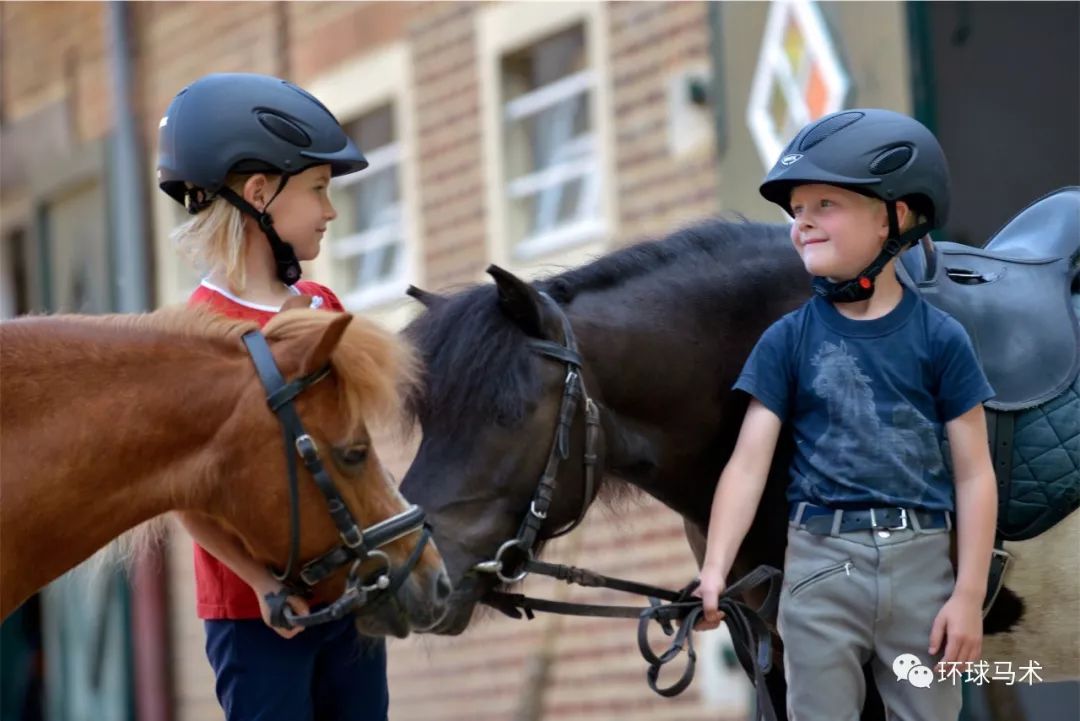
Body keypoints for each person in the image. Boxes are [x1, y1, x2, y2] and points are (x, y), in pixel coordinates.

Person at [695, 108, 997, 720]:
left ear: (898, 215)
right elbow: (748, 466)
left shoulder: (942, 340)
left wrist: (966, 595)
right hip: (819, 570)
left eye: (825, 205)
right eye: (797, 210)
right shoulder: (786, 340)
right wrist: (715, 570)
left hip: (922, 567)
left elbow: (974, 474)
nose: (803, 221)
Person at [157, 72, 389, 721]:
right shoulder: (196, 334)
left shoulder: (323, 309)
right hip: (260, 615)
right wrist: (261, 582)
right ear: (259, 193)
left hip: (350, 595)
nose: (330, 210)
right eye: (318, 188)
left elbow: (355, 452)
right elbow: (183, 492)